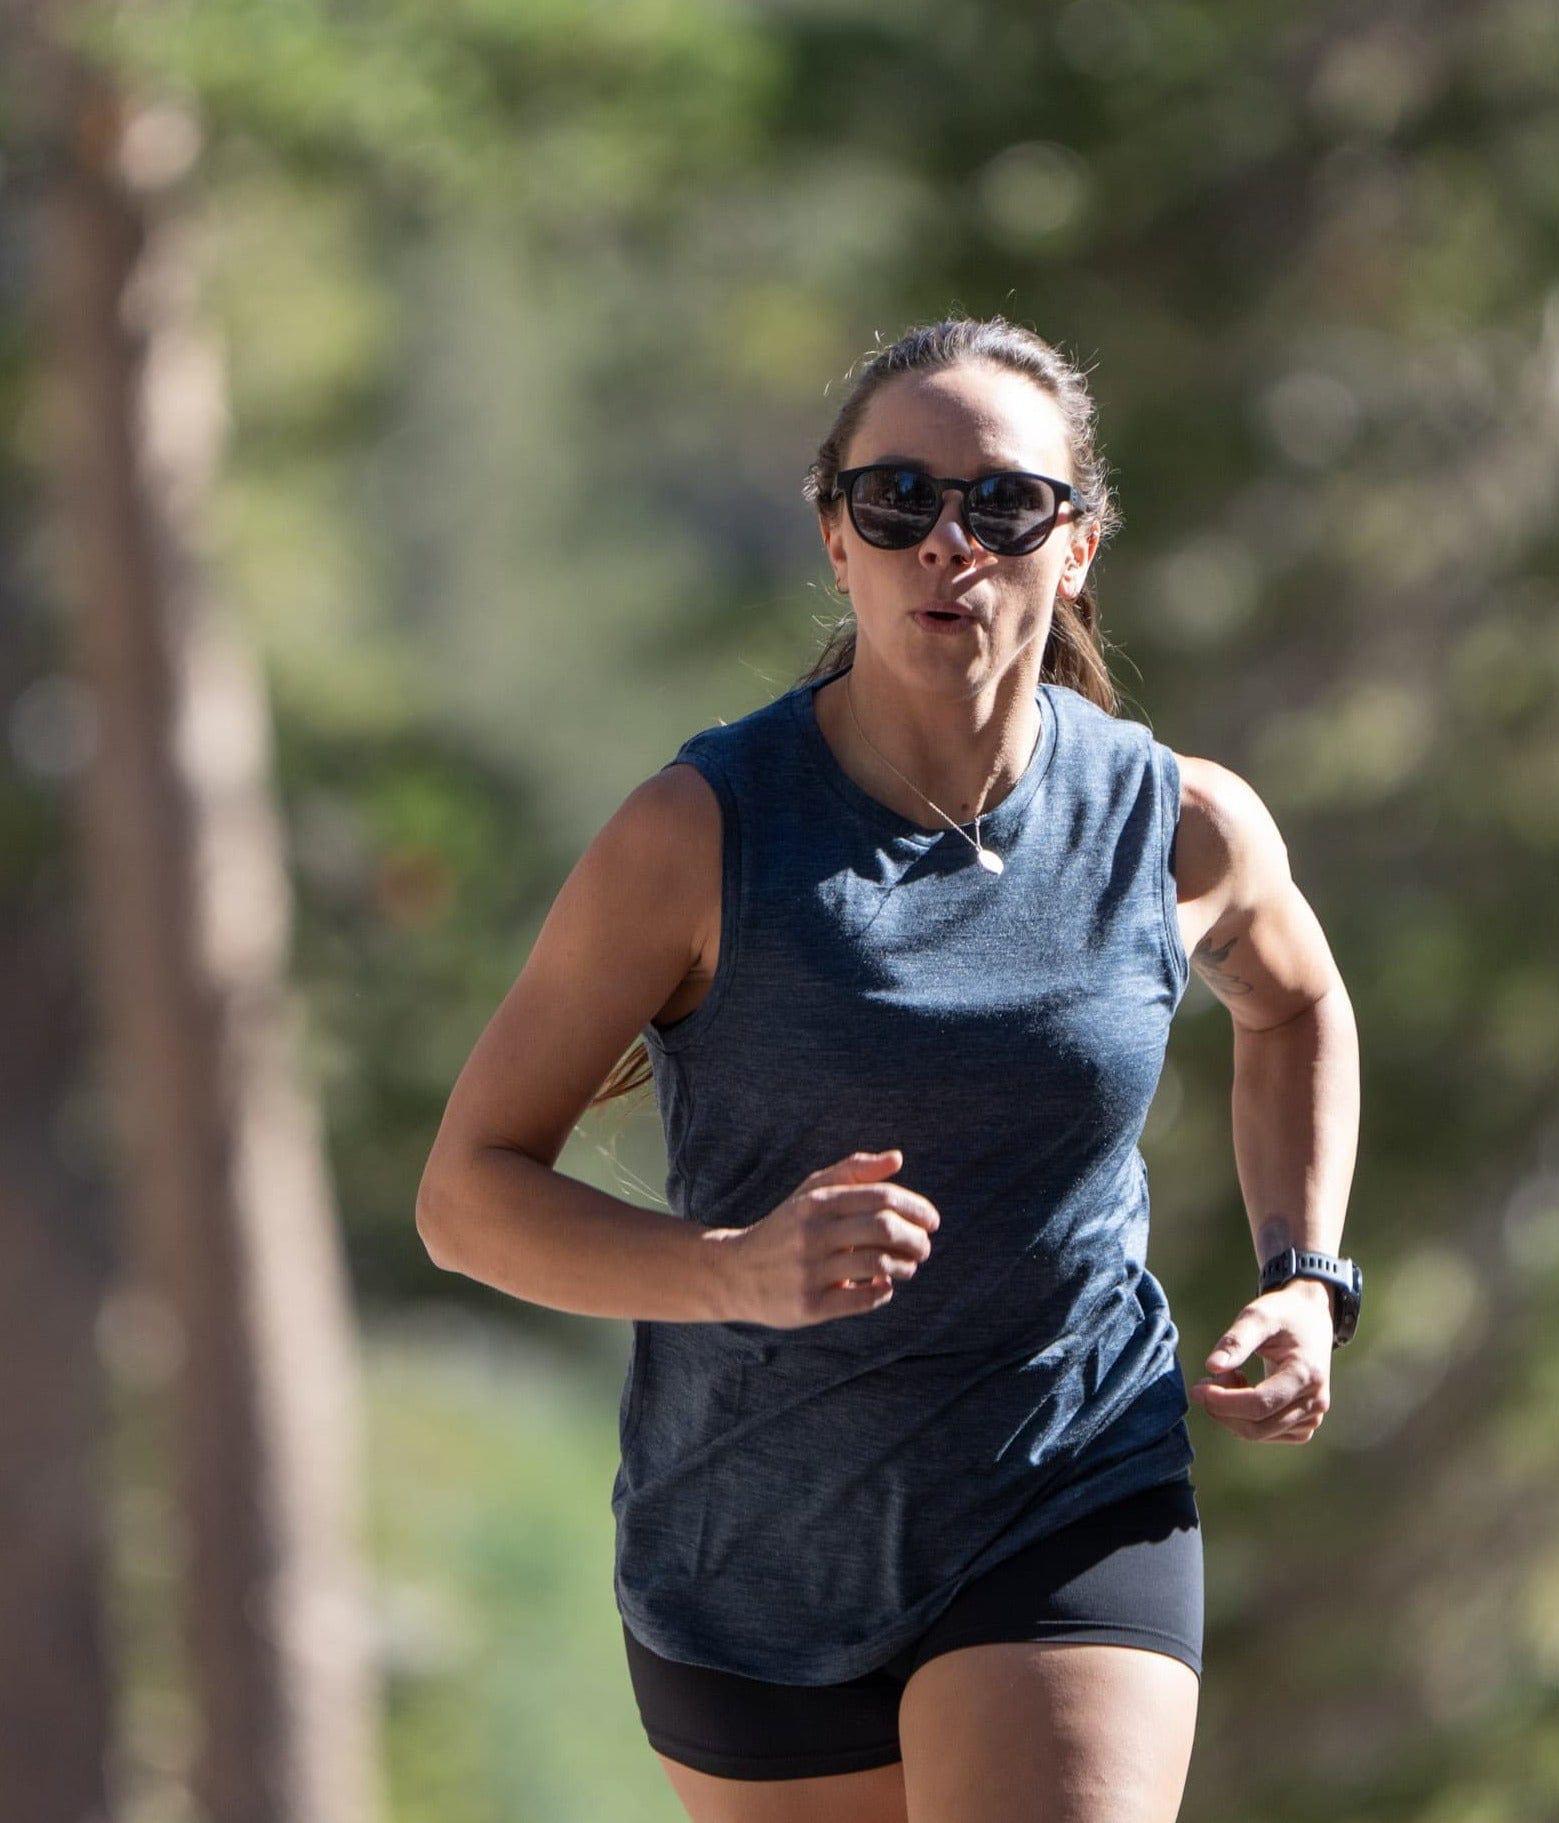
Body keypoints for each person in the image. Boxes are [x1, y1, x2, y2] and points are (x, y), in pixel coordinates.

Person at [416, 314, 1361, 1823]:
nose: (949, 544)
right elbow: (466, 1198)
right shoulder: (700, 834)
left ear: (1078, 548)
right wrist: (733, 1272)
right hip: (754, 1544)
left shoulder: (1178, 826)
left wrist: (1307, 1271)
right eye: (898, 500)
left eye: (1003, 505)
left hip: (1070, 1480)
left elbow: (1297, 1006)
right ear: (835, 537)